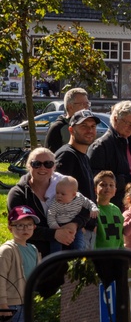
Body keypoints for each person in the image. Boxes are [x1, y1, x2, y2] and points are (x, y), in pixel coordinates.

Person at [8, 147, 82, 256]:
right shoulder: (18, 194)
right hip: (31, 256)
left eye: (48, 164)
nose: (42, 168)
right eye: (36, 164)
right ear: (28, 166)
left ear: (54, 167)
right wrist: (54, 234)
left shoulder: (65, 185)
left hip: (67, 256)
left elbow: (84, 209)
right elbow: (19, 227)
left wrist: (75, 224)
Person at [0, 205, 41, 322]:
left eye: (29, 225)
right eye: (19, 225)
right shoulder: (7, 251)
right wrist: (3, 304)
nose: (25, 229)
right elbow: (1, 278)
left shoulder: (33, 249)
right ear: (10, 227)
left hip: (28, 304)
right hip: (13, 305)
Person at [88, 100, 131, 209]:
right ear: (116, 119)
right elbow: (95, 178)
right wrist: (129, 179)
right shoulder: (101, 146)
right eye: (128, 123)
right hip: (112, 208)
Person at [54, 109, 100, 248]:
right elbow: (57, 196)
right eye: (84, 126)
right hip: (75, 232)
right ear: (71, 130)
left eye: (92, 126)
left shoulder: (83, 155)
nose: (89, 130)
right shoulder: (66, 156)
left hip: (86, 230)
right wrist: (79, 225)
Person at [44, 175, 96, 250]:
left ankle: (78, 259)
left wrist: (93, 209)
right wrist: (55, 227)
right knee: (55, 247)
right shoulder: (55, 203)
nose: (59, 196)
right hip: (59, 226)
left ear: (73, 195)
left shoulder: (79, 198)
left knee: (79, 245)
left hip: (76, 228)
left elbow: (89, 203)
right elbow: (50, 215)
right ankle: (56, 260)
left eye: (62, 194)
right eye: (57, 193)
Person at [43, 87, 89, 153]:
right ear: (70, 107)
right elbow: (51, 157)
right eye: (83, 104)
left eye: (87, 104)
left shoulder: (88, 126)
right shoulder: (57, 128)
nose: (86, 107)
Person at [93, 171, 124, 249]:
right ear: (95, 189)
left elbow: (120, 236)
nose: (107, 187)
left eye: (111, 185)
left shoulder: (116, 210)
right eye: (103, 185)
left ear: (115, 190)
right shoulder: (92, 209)